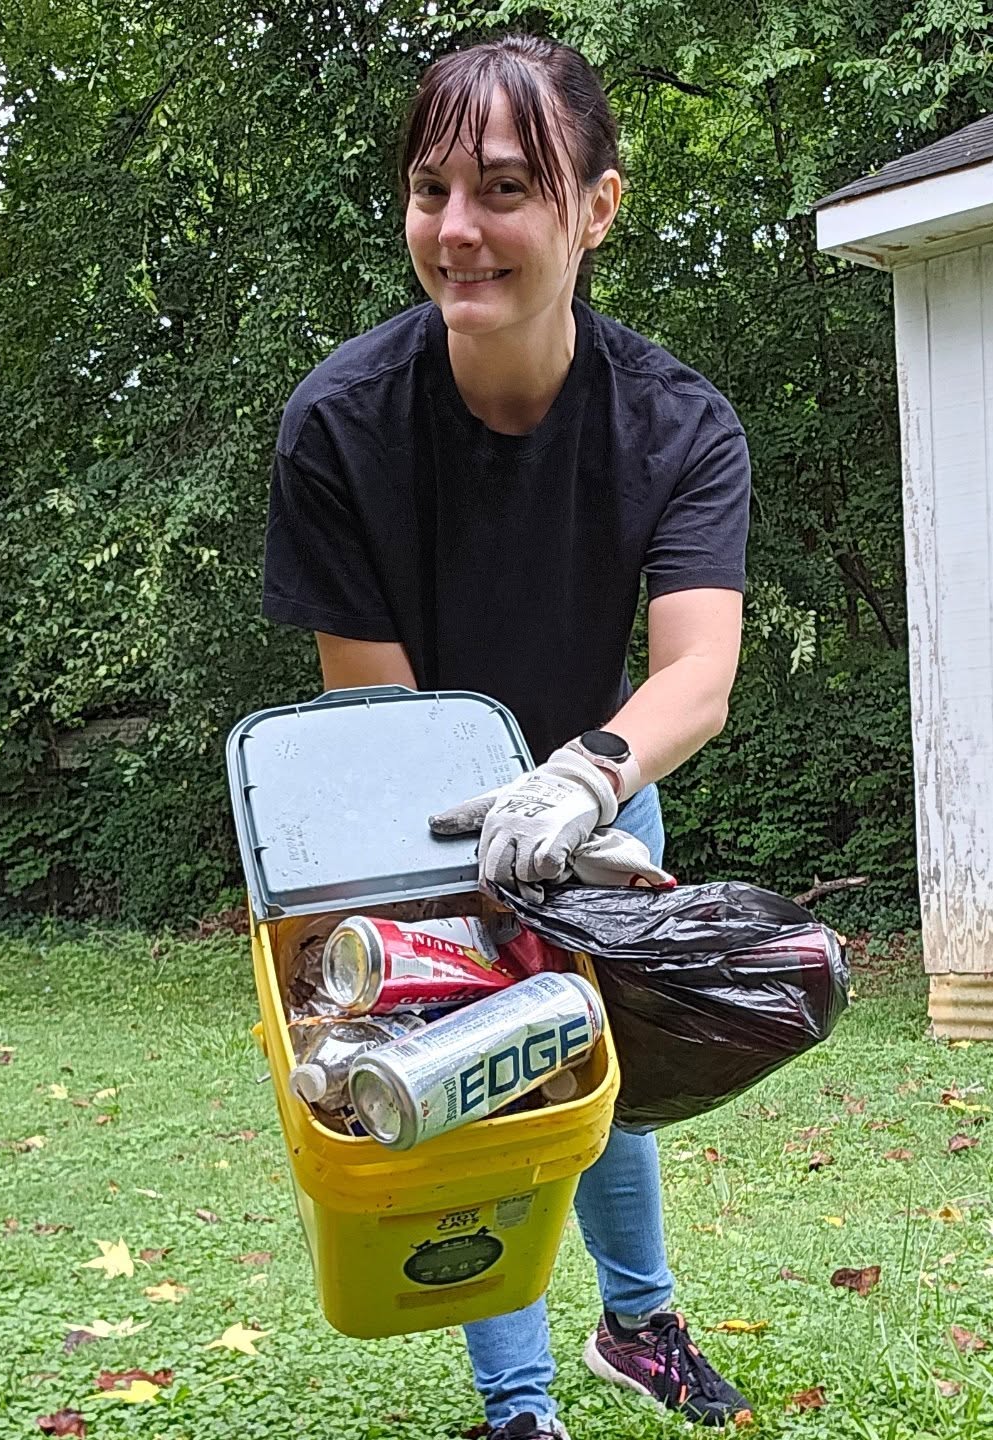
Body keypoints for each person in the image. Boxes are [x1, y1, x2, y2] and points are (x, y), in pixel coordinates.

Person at [263, 32, 754, 1440]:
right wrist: (474, 881)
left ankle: (640, 1326)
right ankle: (517, 1404)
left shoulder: (679, 427)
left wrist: (591, 777)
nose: (457, 230)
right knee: (478, 1085)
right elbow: (381, 715)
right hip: (421, 806)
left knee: (606, 1089)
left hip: (603, 790)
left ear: (597, 207)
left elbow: (697, 673)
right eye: (431, 190)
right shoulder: (341, 428)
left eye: (503, 189)